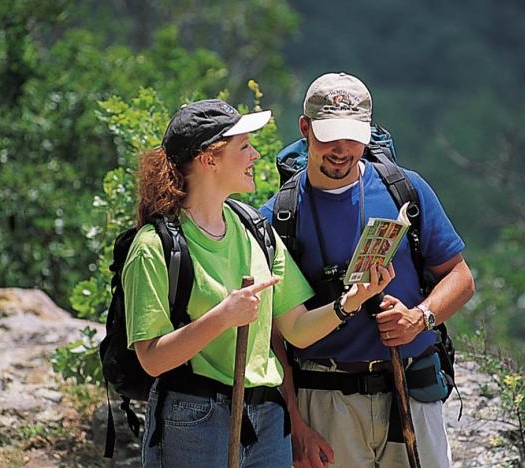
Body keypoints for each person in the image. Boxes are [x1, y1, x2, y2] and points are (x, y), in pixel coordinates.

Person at [123, 98, 395, 467]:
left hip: (267, 417)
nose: (255, 155)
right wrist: (223, 316)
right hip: (193, 416)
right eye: (244, 146)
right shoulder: (155, 247)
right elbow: (152, 360)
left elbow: (296, 329)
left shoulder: (256, 230)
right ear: (209, 159)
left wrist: (350, 303)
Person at [260, 73, 476, 468]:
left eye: (353, 136)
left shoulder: (405, 190)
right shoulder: (278, 216)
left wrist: (419, 318)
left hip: (410, 388)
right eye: (328, 136)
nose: (341, 150)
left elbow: (460, 277)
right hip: (323, 401)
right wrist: (295, 425)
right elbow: (273, 336)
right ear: (305, 128)